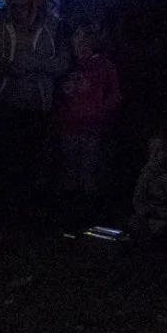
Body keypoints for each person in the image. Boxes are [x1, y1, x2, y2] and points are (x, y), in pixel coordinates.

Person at [0, 0, 66, 225]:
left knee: (33, 165)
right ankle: (0, 217)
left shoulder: (52, 25)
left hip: (37, 105)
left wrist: (37, 64)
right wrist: (6, 66)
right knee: (2, 164)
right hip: (2, 104)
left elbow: (63, 61)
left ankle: (28, 219)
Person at [56, 23, 123, 218]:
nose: (80, 44)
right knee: (69, 170)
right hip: (69, 126)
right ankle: (71, 214)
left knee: (89, 170)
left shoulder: (104, 66)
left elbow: (115, 95)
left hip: (93, 127)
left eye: (85, 40)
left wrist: (99, 111)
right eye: (77, 40)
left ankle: (87, 214)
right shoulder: (68, 65)